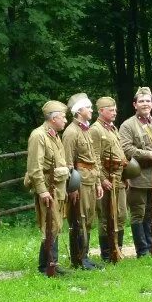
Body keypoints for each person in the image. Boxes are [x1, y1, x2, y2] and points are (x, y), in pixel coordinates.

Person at [119, 87, 152, 258]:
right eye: (141, 101)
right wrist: (148, 154)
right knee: (138, 213)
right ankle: (142, 250)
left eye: (148, 101)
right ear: (135, 105)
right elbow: (125, 149)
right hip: (138, 176)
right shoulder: (128, 125)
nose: (145, 104)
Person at [26, 100, 70, 275]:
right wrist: (42, 190)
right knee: (49, 224)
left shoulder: (54, 135)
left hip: (57, 187)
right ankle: (47, 266)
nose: (66, 120)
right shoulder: (39, 136)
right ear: (54, 118)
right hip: (48, 187)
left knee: (55, 225)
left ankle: (52, 263)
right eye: (63, 117)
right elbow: (34, 167)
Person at [62, 94, 103, 270]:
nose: (91, 110)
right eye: (88, 107)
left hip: (91, 180)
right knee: (79, 219)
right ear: (79, 111)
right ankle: (78, 259)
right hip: (80, 182)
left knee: (88, 220)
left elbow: (93, 158)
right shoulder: (71, 132)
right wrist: (72, 188)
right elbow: (68, 163)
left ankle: (84, 255)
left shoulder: (85, 130)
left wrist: (99, 182)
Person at [91, 96, 127, 262]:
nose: (114, 112)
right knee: (106, 217)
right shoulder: (96, 130)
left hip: (118, 178)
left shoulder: (112, 128)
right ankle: (107, 253)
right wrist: (102, 178)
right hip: (106, 180)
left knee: (120, 215)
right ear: (101, 111)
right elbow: (95, 158)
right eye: (111, 110)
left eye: (115, 109)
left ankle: (117, 249)